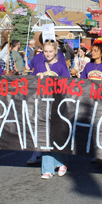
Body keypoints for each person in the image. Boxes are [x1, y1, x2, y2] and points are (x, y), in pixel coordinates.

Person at [33, 40, 70, 179]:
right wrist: (37, 78)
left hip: (57, 104)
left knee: (56, 135)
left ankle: (61, 162)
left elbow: (67, 84)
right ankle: (47, 168)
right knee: (45, 135)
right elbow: (31, 84)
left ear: (55, 52)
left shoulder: (61, 66)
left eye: (50, 51)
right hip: (42, 103)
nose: (48, 54)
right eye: (45, 51)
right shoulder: (38, 65)